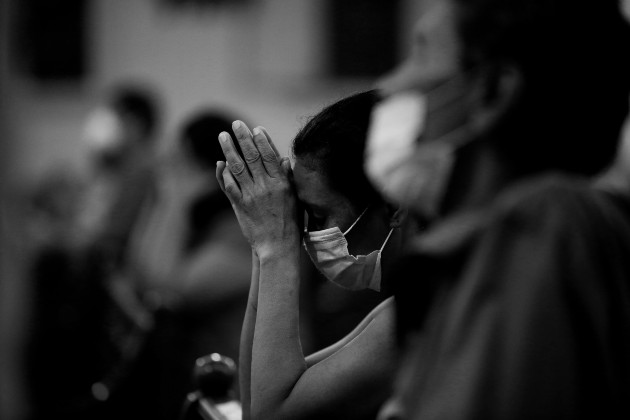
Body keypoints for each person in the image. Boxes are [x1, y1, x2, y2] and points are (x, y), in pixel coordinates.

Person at [360, 0, 630, 418]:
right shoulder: (492, 244)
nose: (390, 85)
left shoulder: (541, 227)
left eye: (421, 54)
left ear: (494, 91)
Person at [216, 90, 414, 419]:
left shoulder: (415, 317)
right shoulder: (393, 310)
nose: (310, 232)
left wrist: (276, 247)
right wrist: (264, 242)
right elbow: (256, 399)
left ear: (392, 205)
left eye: (319, 215)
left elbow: (270, 413)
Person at [121, 108, 254, 419]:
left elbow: (165, 287)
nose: (170, 172)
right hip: (214, 391)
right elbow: (139, 279)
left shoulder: (241, 232)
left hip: (242, 400)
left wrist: (174, 199)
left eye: (179, 162)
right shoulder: (211, 226)